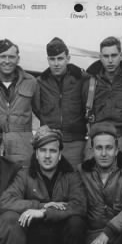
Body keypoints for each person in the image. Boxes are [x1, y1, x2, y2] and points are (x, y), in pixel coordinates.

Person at [0, 125, 87, 244]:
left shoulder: (71, 176)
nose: (47, 156)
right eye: (43, 150)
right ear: (36, 154)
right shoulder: (24, 175)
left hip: (64, 243)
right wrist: (39, 205)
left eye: (52, 151)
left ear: (60, 155)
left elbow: (80, 206)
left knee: (76, 222)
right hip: (37, 242)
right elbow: (5, 202)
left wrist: (44, 213)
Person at [0, 39, 39, 167]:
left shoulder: (31, 82)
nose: (7, 61)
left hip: (23, 148)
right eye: (2, 56)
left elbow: (42, 113)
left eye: (11, 57)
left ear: (18, 59)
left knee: (22, 182)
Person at [82, 36, 122, 163]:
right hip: (98, 134)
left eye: (114, 55)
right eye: (106, 56)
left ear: (121, 56)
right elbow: (81, 108)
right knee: (88, 173)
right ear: (100, 57)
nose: (110, 60)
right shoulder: (90, 82)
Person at [36, 37, 88, 168]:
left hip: (75, 142)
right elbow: (36, 108)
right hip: (50, 142)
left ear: (68, 58)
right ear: (48, 60)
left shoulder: (81, 79)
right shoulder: (41, 82)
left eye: (60, 58)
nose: (56, 63)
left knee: (74, 179)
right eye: (52, 59)